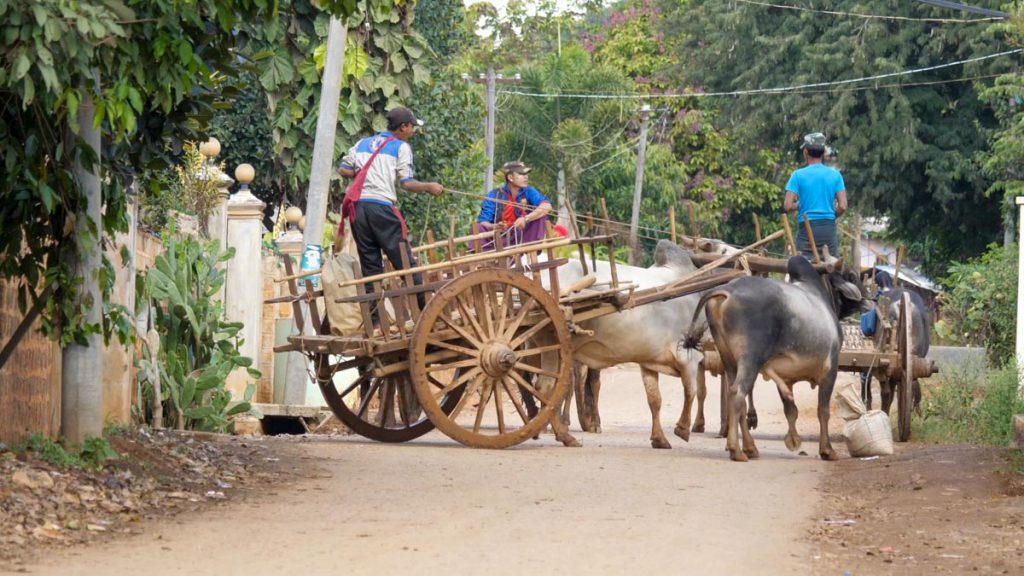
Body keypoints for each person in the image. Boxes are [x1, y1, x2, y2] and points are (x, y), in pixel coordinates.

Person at [337, 106, 443, 321]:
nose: (412, 131)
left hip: (358, 209)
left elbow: (343, 169)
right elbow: (407, 183)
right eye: (411, 127)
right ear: (403, 127)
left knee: (371, 267)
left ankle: (375, 322)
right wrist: (430, 186)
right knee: (405, 262)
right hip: (381, 208)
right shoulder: (400, 147)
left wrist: (363, 174)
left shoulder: (362, 143)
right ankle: (427, 314)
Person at [784, 132, 847, 259]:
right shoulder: (835, 175)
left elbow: (788, 206)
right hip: (828, 229)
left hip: (807, 231)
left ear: (805, 151)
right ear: (823, 152)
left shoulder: (797, 175)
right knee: (831, 270)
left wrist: (799, 205)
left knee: (802, 270)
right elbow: (843, 206)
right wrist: (830, 214)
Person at [477, 161, 553, 246]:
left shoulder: (529, 191)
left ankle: (530, 248)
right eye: (521, 174)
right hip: (501, 236)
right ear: (510, 177)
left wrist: (525, 219)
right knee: (478, 228)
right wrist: (495, 226)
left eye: (526, 174)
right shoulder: (494, 194)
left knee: (541, 215)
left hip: (523, 235)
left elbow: (547, 206)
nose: (526, 177)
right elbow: (483, 222)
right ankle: (490, 255)